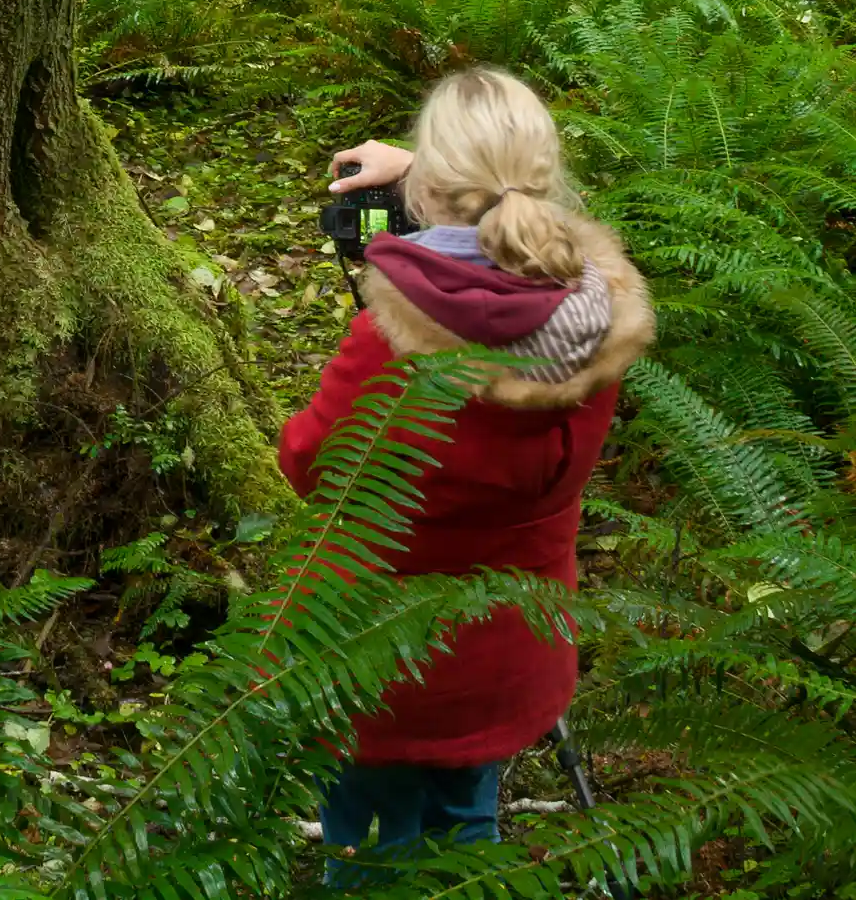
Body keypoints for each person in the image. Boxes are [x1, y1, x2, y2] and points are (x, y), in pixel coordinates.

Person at [279, 67, 654, 882]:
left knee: (370, 846)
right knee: (465, 831)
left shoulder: (390, 341)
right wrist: (425, 166)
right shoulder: (598, 322)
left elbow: (310, 463)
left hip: (378, 666)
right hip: (509, 651)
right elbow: (506, 214)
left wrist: (419, 197)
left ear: (429, 191)